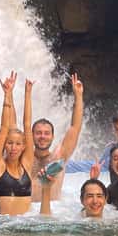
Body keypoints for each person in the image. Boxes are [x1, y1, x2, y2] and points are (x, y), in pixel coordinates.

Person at [31, 73, 85, 202]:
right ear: (31, 135)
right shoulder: (24, 157)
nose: (42, 136)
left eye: (46, 133)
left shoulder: (58, 156)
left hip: (56, 210)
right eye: (38, 133)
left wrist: (78, 96)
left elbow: (75, 128)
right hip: (28, 211)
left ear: (52, 136)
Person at [0, 73, 35, 215]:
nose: (13, 148)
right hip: (5, 225)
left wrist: (28, 93)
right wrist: (7, 95)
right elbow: (4, 127)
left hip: (27, 224)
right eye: (9, 143)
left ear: (23, 147)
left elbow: (27, 125)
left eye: (17, 144)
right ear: (5, 145)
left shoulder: (27, 164)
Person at [40, 162, 118, 220]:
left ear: (105, 199)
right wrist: (46, 189)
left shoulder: (112, 217)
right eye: (90, 196)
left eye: (99, 196)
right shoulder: (74, 219)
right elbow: (45, 219)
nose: (95, 201)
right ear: (82, 200)